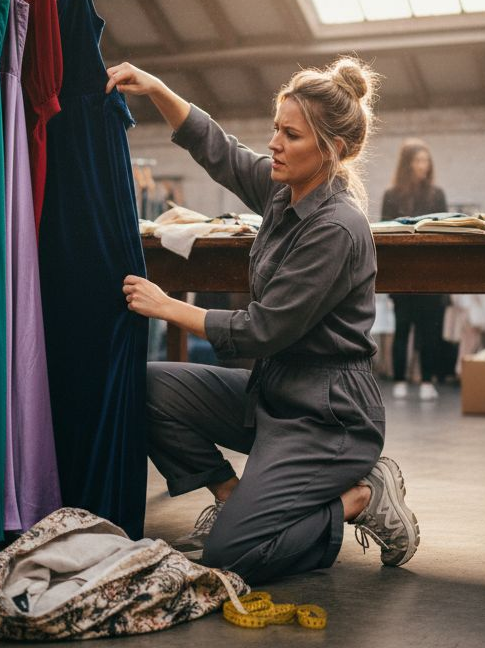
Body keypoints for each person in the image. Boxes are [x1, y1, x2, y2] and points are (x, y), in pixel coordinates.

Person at [109, 57, 419, 585]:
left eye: (290, 135)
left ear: (331, 149)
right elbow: (220, 151)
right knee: (143, 387)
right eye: (276, 128)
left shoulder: (337, 227)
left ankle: (362, 498)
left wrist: (167, 306)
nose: (274, 143)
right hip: (272, 393)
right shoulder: (282, 190)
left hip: (328, 417)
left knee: (232, 556)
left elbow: (262, 330)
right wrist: (157, 89)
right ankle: (229, 498)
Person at [381, 138, 451, 401]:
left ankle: (427, 380)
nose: (424, 166)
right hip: (402, 274)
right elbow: (385, 234)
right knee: (402, 328)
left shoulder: (437, 194)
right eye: (418, 160)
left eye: (426, 161)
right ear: (407, 164)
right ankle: (400, 379)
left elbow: (446, 232)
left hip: (431, 274)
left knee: (429, 331)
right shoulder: (392, 195)